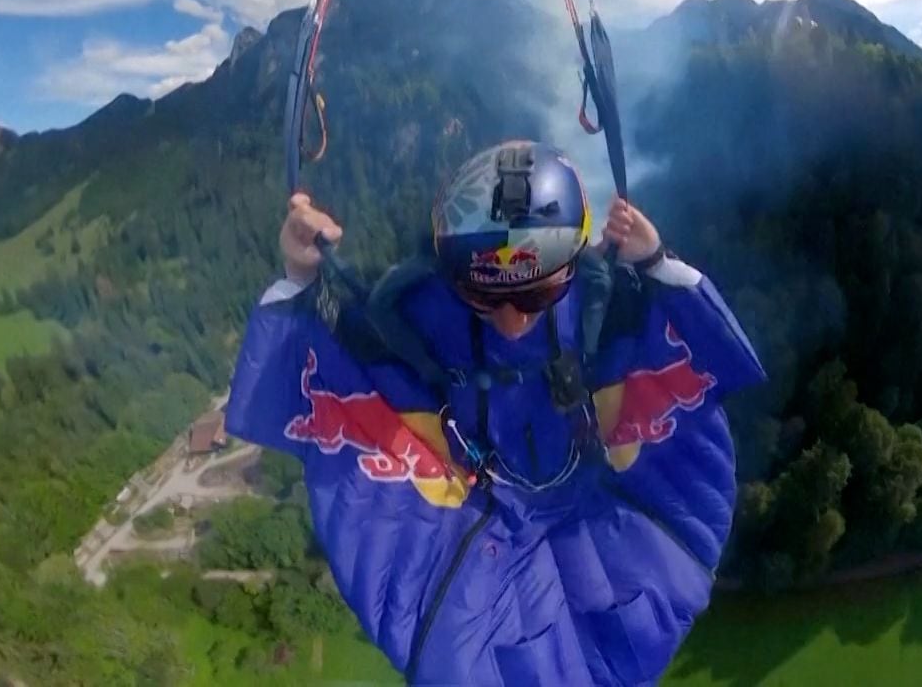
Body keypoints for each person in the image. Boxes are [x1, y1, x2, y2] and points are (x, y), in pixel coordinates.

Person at [226, 139, 764, 685]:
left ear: (571, 265)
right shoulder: (412, 310)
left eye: (535, 296)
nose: (511, 322)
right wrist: (301, 278)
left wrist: (653, 263)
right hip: (470, 507)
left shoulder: (597, 296)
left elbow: (677, 342)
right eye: (485, 300)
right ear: (452, 279)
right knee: (472, 656)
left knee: (624, 618)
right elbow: (351, 360)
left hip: (587, 496)